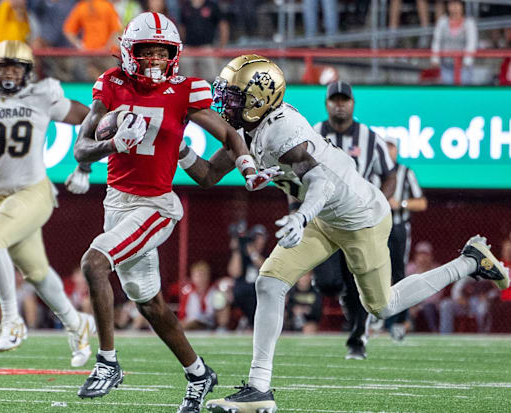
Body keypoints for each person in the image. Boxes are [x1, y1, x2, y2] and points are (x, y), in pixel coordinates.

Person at [176, 54, 509, 412]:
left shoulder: (281, 129)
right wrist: (176, 146)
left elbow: (320, 182)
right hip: (322, 218)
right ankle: (259, 389)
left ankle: (470, 260)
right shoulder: (246, 129)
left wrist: (301, 217)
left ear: (260, 100)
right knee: (269, 282)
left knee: (381, 306)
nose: (226, 103)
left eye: (235, 96)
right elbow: (208, 175)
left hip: (358, 218)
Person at [67, 12, 263, 413]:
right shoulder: (111, 84)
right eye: (147, 51)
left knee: (94, 263)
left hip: (156, 205)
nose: (155, 59)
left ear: (174, 54)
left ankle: (107, 364)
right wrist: (113, 145)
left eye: (162, 52)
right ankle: (198, 374)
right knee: (150, 304)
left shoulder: (185, 89)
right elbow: (81, 148)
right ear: (129, 52)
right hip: (116, 202)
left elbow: (228, 131)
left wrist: (245, 164)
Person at [0, 40, 96, 368]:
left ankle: (11, 320)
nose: (10, 72)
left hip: (32, 191)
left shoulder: (41, 96)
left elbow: (90, 118)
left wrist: (84, 164)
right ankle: (77, 323)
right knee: (37, 273)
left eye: (17, 66)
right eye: (4, 66)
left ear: (28, 72)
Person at [309, 80, 397, 360]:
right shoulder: (314, 133)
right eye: (334, 100)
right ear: (326, 104)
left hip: (360, 220)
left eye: (343, 100)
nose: (339, 104)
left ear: (352, 104)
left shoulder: (370, 138)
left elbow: (390, 174)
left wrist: (380, 204)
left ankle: (357, 338)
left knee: (360, 280)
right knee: (329, 283)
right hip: (324, 220)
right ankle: (347, 302)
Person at [382, 134, 428, 341]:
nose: (389, 150)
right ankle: (373, 320)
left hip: (398, 226)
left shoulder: (405, 172)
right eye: (386, 147)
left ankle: (399, 321)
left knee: (398, 273)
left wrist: (400, 204)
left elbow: (422, 203)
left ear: (397, 150)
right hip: (376, 226)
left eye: (392, 147)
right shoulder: (374, 171)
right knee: (375, 271)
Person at [227, 223, 268, 328]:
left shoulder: (267, 255)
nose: (259, 241)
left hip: (259, 292)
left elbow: (265, 268)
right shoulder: (243, 255)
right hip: (243, 292)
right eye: (256, 238)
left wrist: (253, 253)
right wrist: (237, 250)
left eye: (262, 238)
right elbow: (234, 272)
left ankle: (250, 322)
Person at [431, 0, 477, 85]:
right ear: (448, 6)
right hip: (446, 65)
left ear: (462, 6)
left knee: (463, 92)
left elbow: (471, 43)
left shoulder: (469, 23)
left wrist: (467, 61)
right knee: (447, 93)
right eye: (451, 4)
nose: (454, 7)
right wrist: (435, 59)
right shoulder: (442, 21)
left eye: (457, 4)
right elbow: (437, 41)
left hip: (463, 67)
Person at [179, 260, 222, 330]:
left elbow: (218, 313)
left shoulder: (215, 291)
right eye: (198, 276)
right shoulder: (188, 292)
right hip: (190, 322)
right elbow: (182, 314)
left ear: (208, 276)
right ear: (192, 277)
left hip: (209, 323)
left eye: (203, 275)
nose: (201, 279)